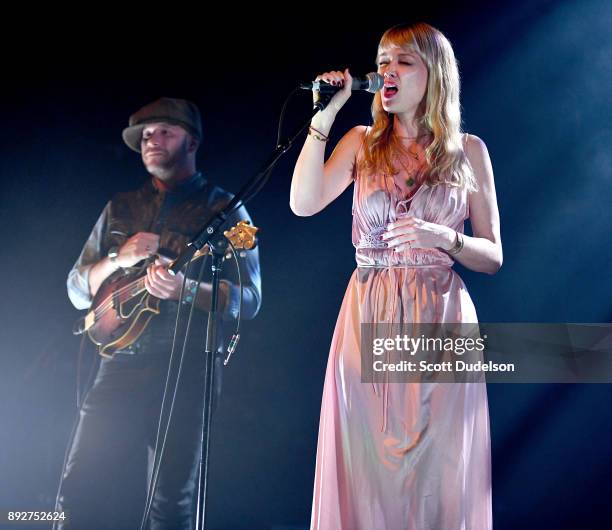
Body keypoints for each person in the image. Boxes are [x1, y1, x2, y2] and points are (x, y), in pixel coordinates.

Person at [290, 23, 501, 530]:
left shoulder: (468, 150)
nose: (387, 71)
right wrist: (326, 116)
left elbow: (492, 255)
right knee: (366, 465)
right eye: (383, 60)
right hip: (370, 310)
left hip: (440, 314)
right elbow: (303, 203)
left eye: (403, 61)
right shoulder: (362, 142)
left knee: (437, 469)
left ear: (434, 74)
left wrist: (444, 238)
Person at [55, 97, 262, 529]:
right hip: (118, 363)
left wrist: (187, 291)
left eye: (164, 131)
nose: (152, 140)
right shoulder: (120, 207)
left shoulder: (226, 210)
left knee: (172, 501)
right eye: (145, 135)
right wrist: (117, 257)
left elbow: (250, 298)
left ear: (192, 141)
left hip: (185, 363)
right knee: (78, 489)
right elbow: (77, 290)